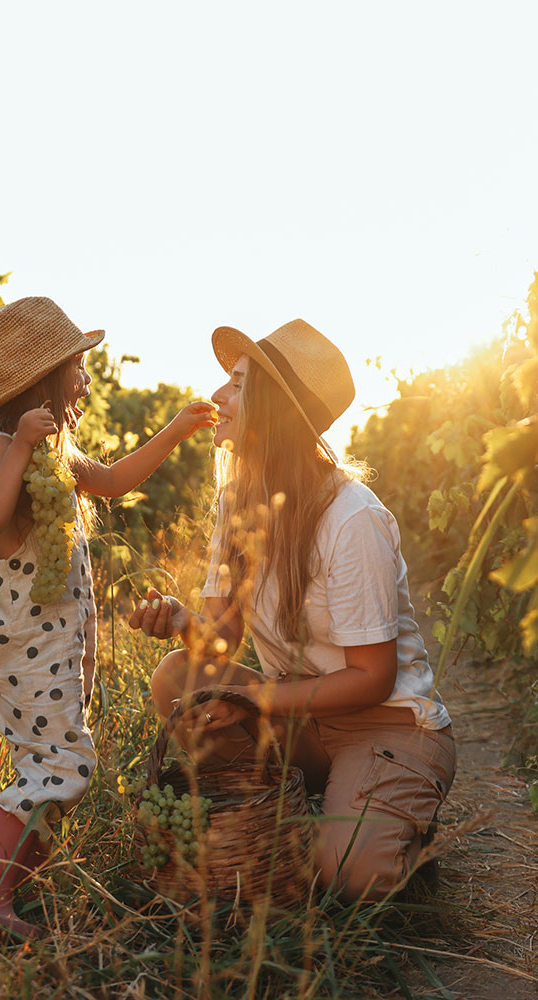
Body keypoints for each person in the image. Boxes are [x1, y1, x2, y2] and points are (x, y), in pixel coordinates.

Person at [128, 318, 455, 902]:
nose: (219, 396)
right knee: (181, 677)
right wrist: (181, 622)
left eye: (236, 383)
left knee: (351, 876)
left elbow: (372, 679)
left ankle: (397, 825)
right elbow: (221, 643)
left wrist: (255, 698)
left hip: (390, 727)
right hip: (302, 716)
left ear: (274, 409)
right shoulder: (238, 504)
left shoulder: (350, 517)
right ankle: (298, 809)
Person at [0, 296, 216, 936]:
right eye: (77, 365)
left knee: (55, 764)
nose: (86, 378)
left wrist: (176, 427)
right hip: (22, 645)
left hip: (54, 645)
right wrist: (20, 450)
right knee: (64, 767)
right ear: (45, 376)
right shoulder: (5, 445)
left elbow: (116, 481)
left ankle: (3, 891)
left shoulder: (56, 452)